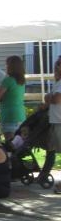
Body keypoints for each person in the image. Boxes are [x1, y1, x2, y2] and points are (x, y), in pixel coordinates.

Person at [0, 55, 26, 142]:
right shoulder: (22, 81)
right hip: (20, 115)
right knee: (18, 144)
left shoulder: (8, 80)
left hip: (9, 116)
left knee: (10, 144)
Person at [45, 56, 61, 194]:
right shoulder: (57, 83)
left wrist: (50, 98)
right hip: (56, 121)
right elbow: (48, 97)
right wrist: (50, 98)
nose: (56, 67)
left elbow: (56, 99)